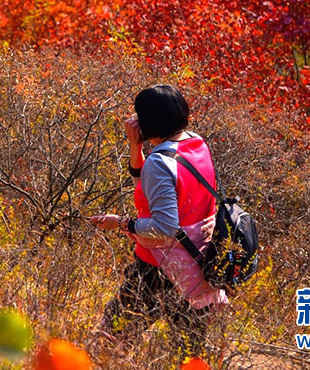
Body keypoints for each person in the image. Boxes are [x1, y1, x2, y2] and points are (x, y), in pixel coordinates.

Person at [90, 84, 228, 356]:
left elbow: (165, 227)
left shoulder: (159, 162)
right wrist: (136, 146)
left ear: (149, 121)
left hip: (159, 266)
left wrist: (121, 223)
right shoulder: (196, 144)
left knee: (113, 336)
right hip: (200, 263)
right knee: (188, 351)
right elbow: (149, 185)